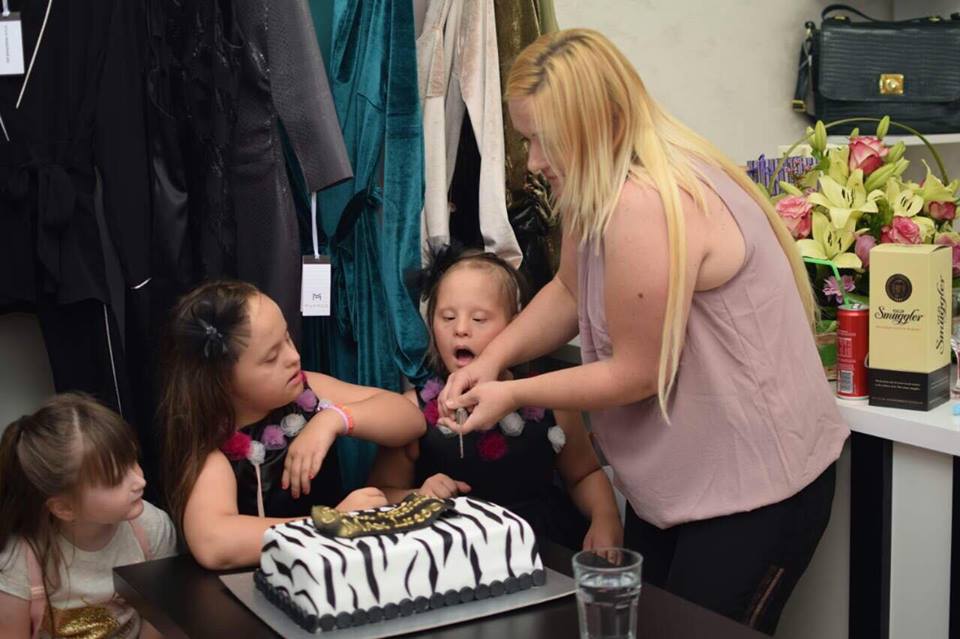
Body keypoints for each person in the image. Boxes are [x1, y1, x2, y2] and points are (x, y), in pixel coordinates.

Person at [439, 29, 848, 634]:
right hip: (685, 487)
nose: (534, 162)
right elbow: (570, 289)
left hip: (757, 493)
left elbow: (635, 374)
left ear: (596, 124)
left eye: (544, 140)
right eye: (527, 140)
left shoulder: (644, 202)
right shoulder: (596, 186)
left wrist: (513, 391)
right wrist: (490, 359)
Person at [368, 245, 622, 550]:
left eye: (479, 319)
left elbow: (584, 474)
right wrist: (417, 496)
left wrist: (606, 517)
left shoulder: (550, 401)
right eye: (447, 317)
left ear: (516, 327)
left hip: (543, 550)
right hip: (454, 557)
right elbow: (377, 495)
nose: (461, 329)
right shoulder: (410, 413)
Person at [158, 280, 425, 570]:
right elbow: (214, 543)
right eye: (272, 357)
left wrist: (334, 419)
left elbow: (411, 420)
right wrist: (329, 524)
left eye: (287, 338)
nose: (294, 357)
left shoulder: (307, 393)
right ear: (222, 380)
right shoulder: (213, 448)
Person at [0, 394, 177, 639]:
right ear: (64, 508)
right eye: (115, 479)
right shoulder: (20, 557)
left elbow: (158, 622)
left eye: (133, 461)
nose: (140, 481)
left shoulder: (153, 528)